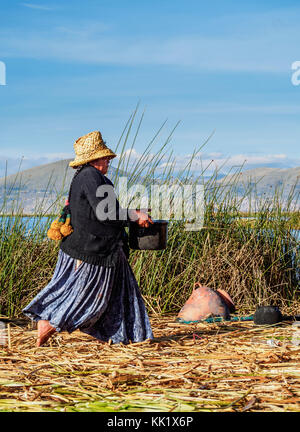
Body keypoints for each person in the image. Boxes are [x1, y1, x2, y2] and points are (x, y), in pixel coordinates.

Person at [23, 131, 154, 347]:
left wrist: (132, 213)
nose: (108, 160)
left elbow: (103, 211)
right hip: (94, 250)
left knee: (122, 292)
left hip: (105, 248)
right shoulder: (90, 177)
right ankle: (49, 324)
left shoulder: (87, 177)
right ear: (93, 159)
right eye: (104, 157)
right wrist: (134, 215)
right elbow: (107, 213)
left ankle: (125, 336)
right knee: (89, 298)